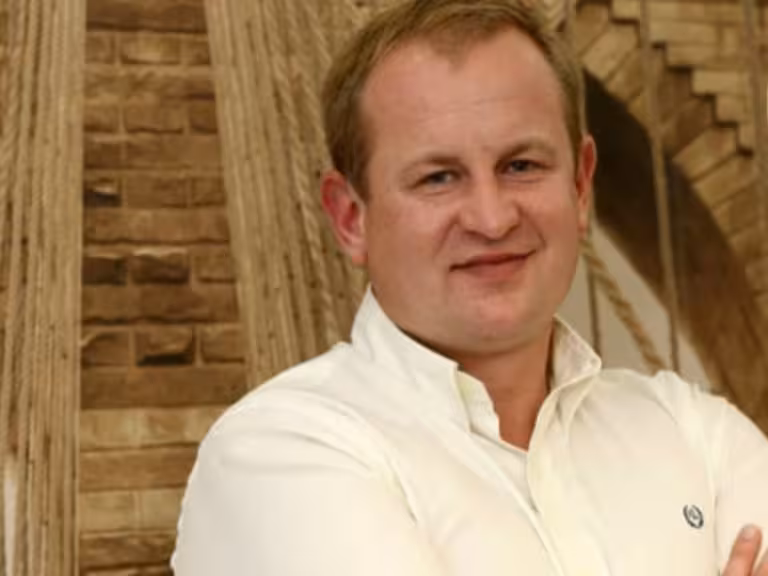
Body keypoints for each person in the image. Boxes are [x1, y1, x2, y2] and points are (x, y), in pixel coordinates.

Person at [171, 0, 768, 574]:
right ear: (351, 218)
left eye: (521, 166)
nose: (492, 218)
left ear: (581, 187)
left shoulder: (693, 430)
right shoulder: (277, 453)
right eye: (438, 178)